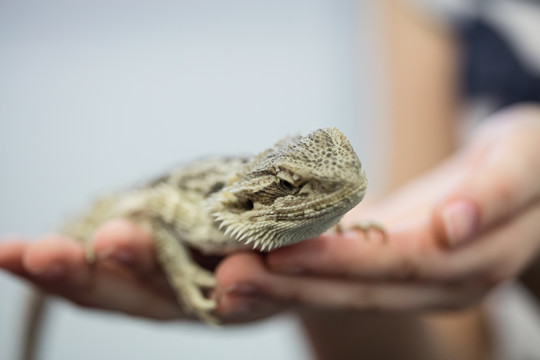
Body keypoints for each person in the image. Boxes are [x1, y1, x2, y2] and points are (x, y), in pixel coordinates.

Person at [1, 0, 540, 359]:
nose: (348, 189)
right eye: (303, 188)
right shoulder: (212, 219)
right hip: (120, 212)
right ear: (265, 200)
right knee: (90, 247)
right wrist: (189, 278)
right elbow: (161, 211)